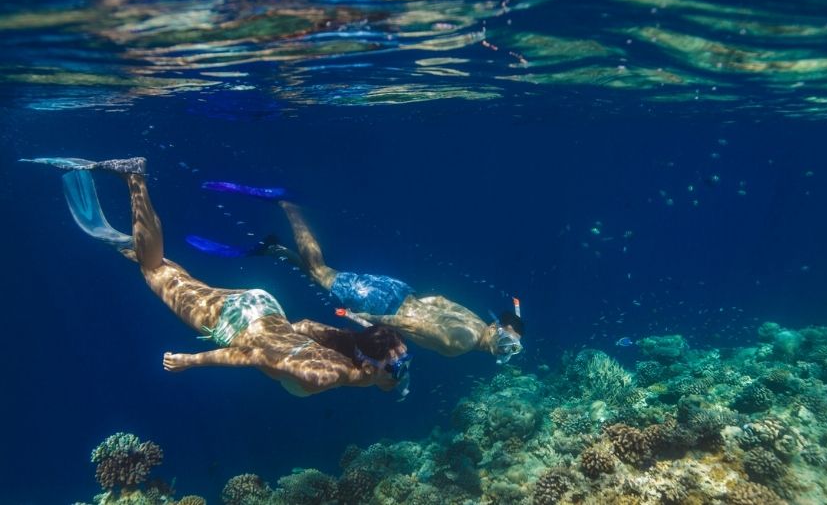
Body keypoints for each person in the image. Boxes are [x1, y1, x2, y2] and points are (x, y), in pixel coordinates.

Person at [20, 157, 412, 398]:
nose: (402, 371)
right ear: (371, 365)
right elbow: (253, 355)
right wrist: (193, 361)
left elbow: (306, 325)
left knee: (175, 277)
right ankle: (134, 178)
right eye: (397, 366)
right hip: (236, 322)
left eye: (403, 363)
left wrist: (281, 334)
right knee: (153, 269)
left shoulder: (352, 358)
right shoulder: (328, 374)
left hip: (262, 308)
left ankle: (135, 242)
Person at [187, 181, 525, 363]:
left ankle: (277, 250)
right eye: (508, 343)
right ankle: (288, 205)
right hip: (385, 306)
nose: (506, 349)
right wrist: (367, 316)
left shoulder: (477, 322)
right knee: (321, 272)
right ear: (499, 330)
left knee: (328, 276)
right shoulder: (464, 341)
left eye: (512, 348)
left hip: (400, 291)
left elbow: (437, 298)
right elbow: (412, 324)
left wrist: (402, 307)